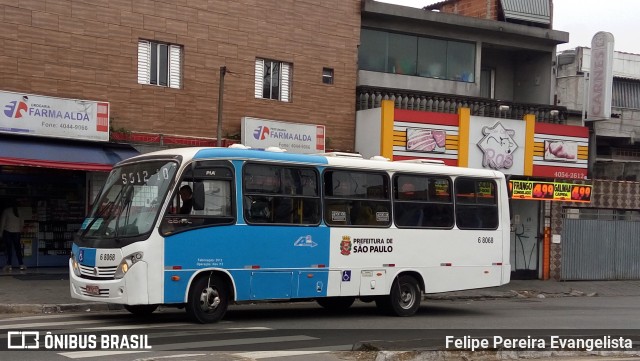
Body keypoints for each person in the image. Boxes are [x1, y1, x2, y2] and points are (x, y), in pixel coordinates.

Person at [1, 201, 25, 272]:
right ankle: (21, 265)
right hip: (17, 232)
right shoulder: (19, 211)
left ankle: (9, 265)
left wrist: (1, 233)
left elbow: (2, 222)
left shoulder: (6, 211)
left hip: (8, 232)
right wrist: (19, 229)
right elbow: (22, 222)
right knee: (18, 249)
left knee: (9, 249)